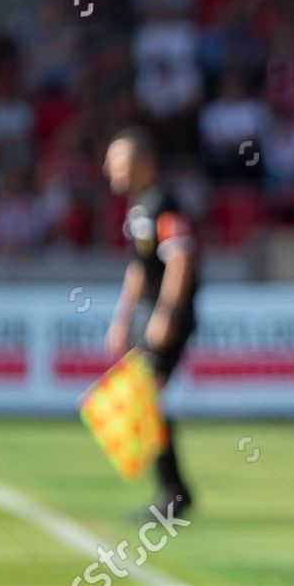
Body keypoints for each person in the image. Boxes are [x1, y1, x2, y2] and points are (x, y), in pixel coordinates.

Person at [102, 127, 199, 516]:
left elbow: (181, 260)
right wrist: (122, 318)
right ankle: (173, 493)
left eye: (118, 161)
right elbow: (140, 267)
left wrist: (165, 314)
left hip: (170, 317)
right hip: (150, 315)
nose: (110, 169)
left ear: (143, 163)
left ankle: (173, 496)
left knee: (144, 398)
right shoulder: (140, 206)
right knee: (143, 400)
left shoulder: (163, 203)